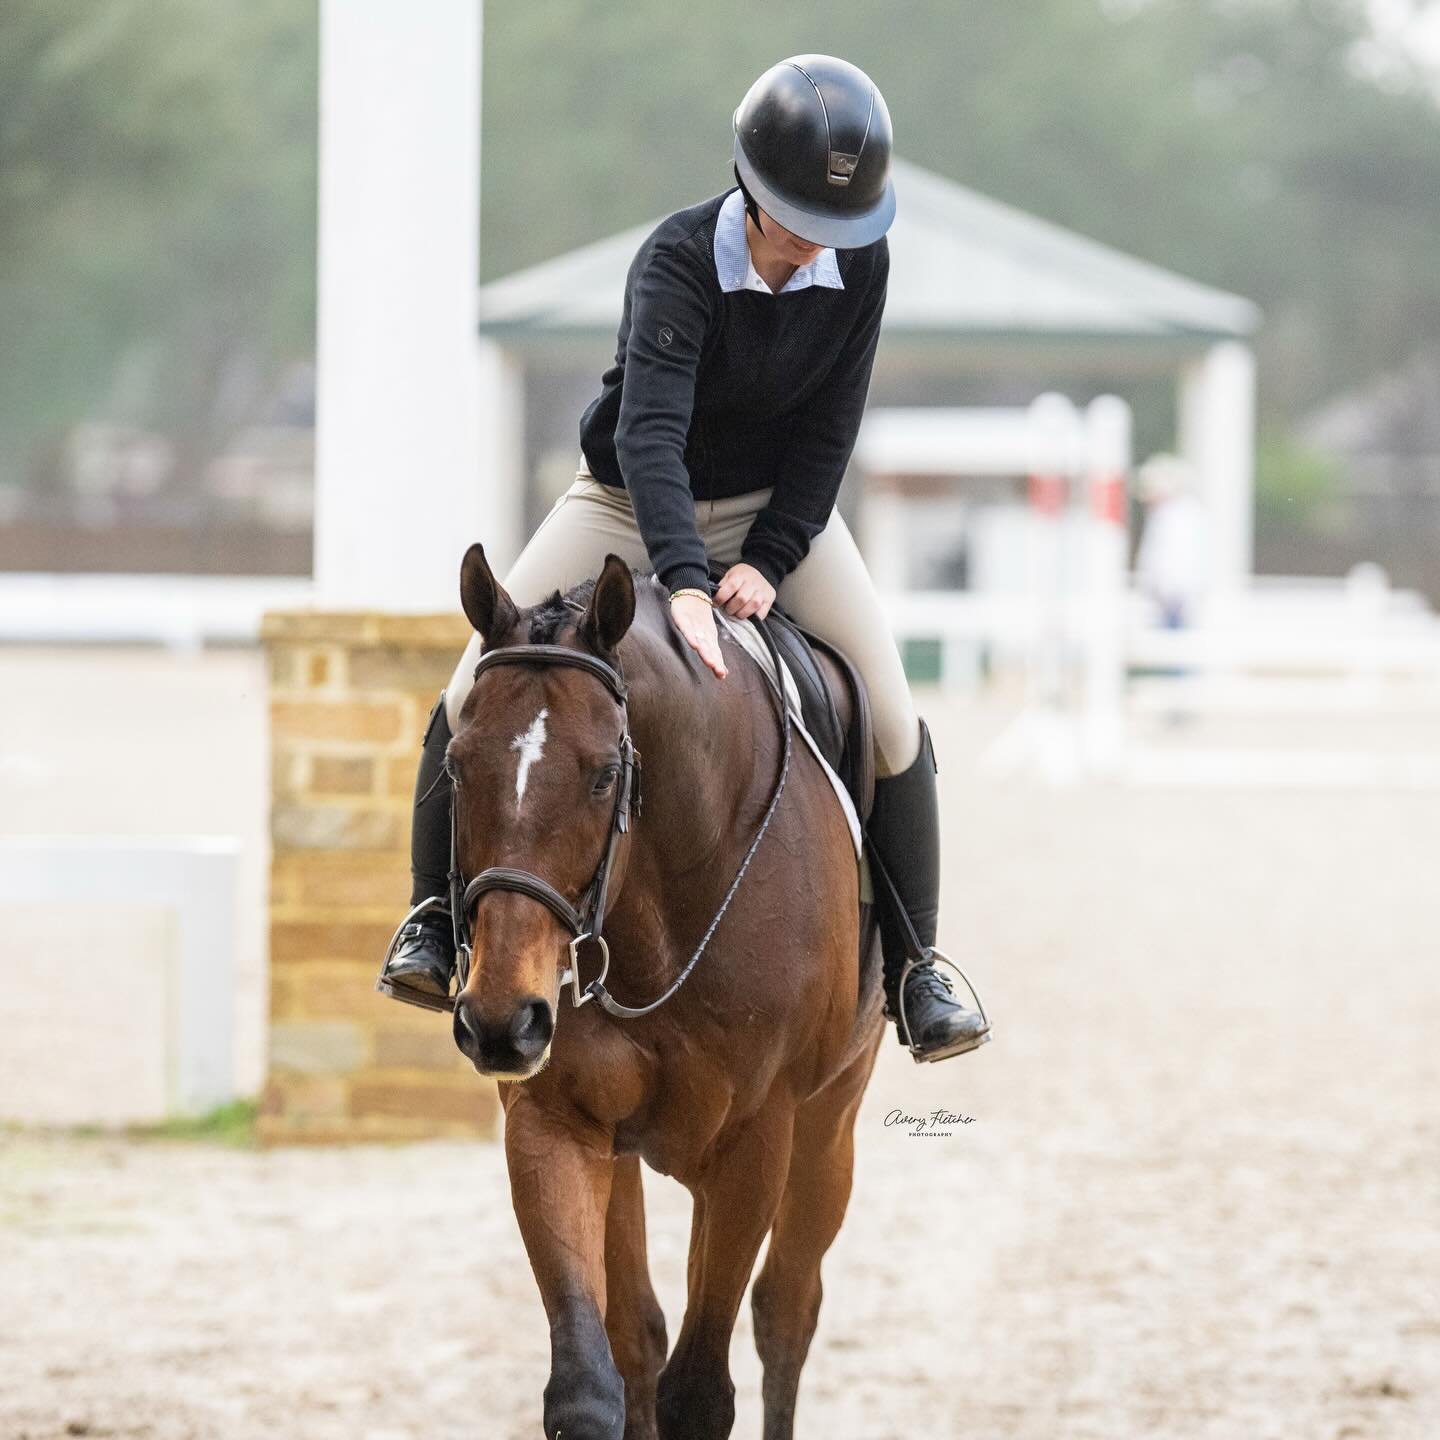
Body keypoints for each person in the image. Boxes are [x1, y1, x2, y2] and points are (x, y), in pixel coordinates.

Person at [377, 54, 990, 1062]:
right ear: (751, 187)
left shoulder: (861, 268)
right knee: (462, 692)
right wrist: (691, 580)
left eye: (835, 229)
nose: (812, 249)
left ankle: (921, 968)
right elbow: (650, 435)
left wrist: (773, 555)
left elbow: (830, 431)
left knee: (888, 709)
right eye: (798, 220)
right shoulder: (675, 259)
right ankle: (432, 924)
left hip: (772, 511)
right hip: (623, 500)